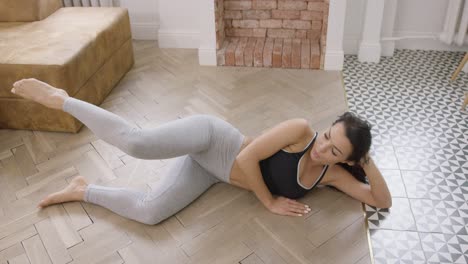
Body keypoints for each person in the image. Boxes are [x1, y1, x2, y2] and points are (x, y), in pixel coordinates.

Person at [10, 78, 392, 225]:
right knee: (138, 143)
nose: (323, 148)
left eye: (335, 150)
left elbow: (381, 200)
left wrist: (367, 162)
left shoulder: (334, 174)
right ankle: (63, 100)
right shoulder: (301, 130)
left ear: (346, 160)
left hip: (212, 172)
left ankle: (82, 189)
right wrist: (270, 202)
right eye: (328, 136)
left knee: (150, 212)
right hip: (213, 140)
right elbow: (244, 159)